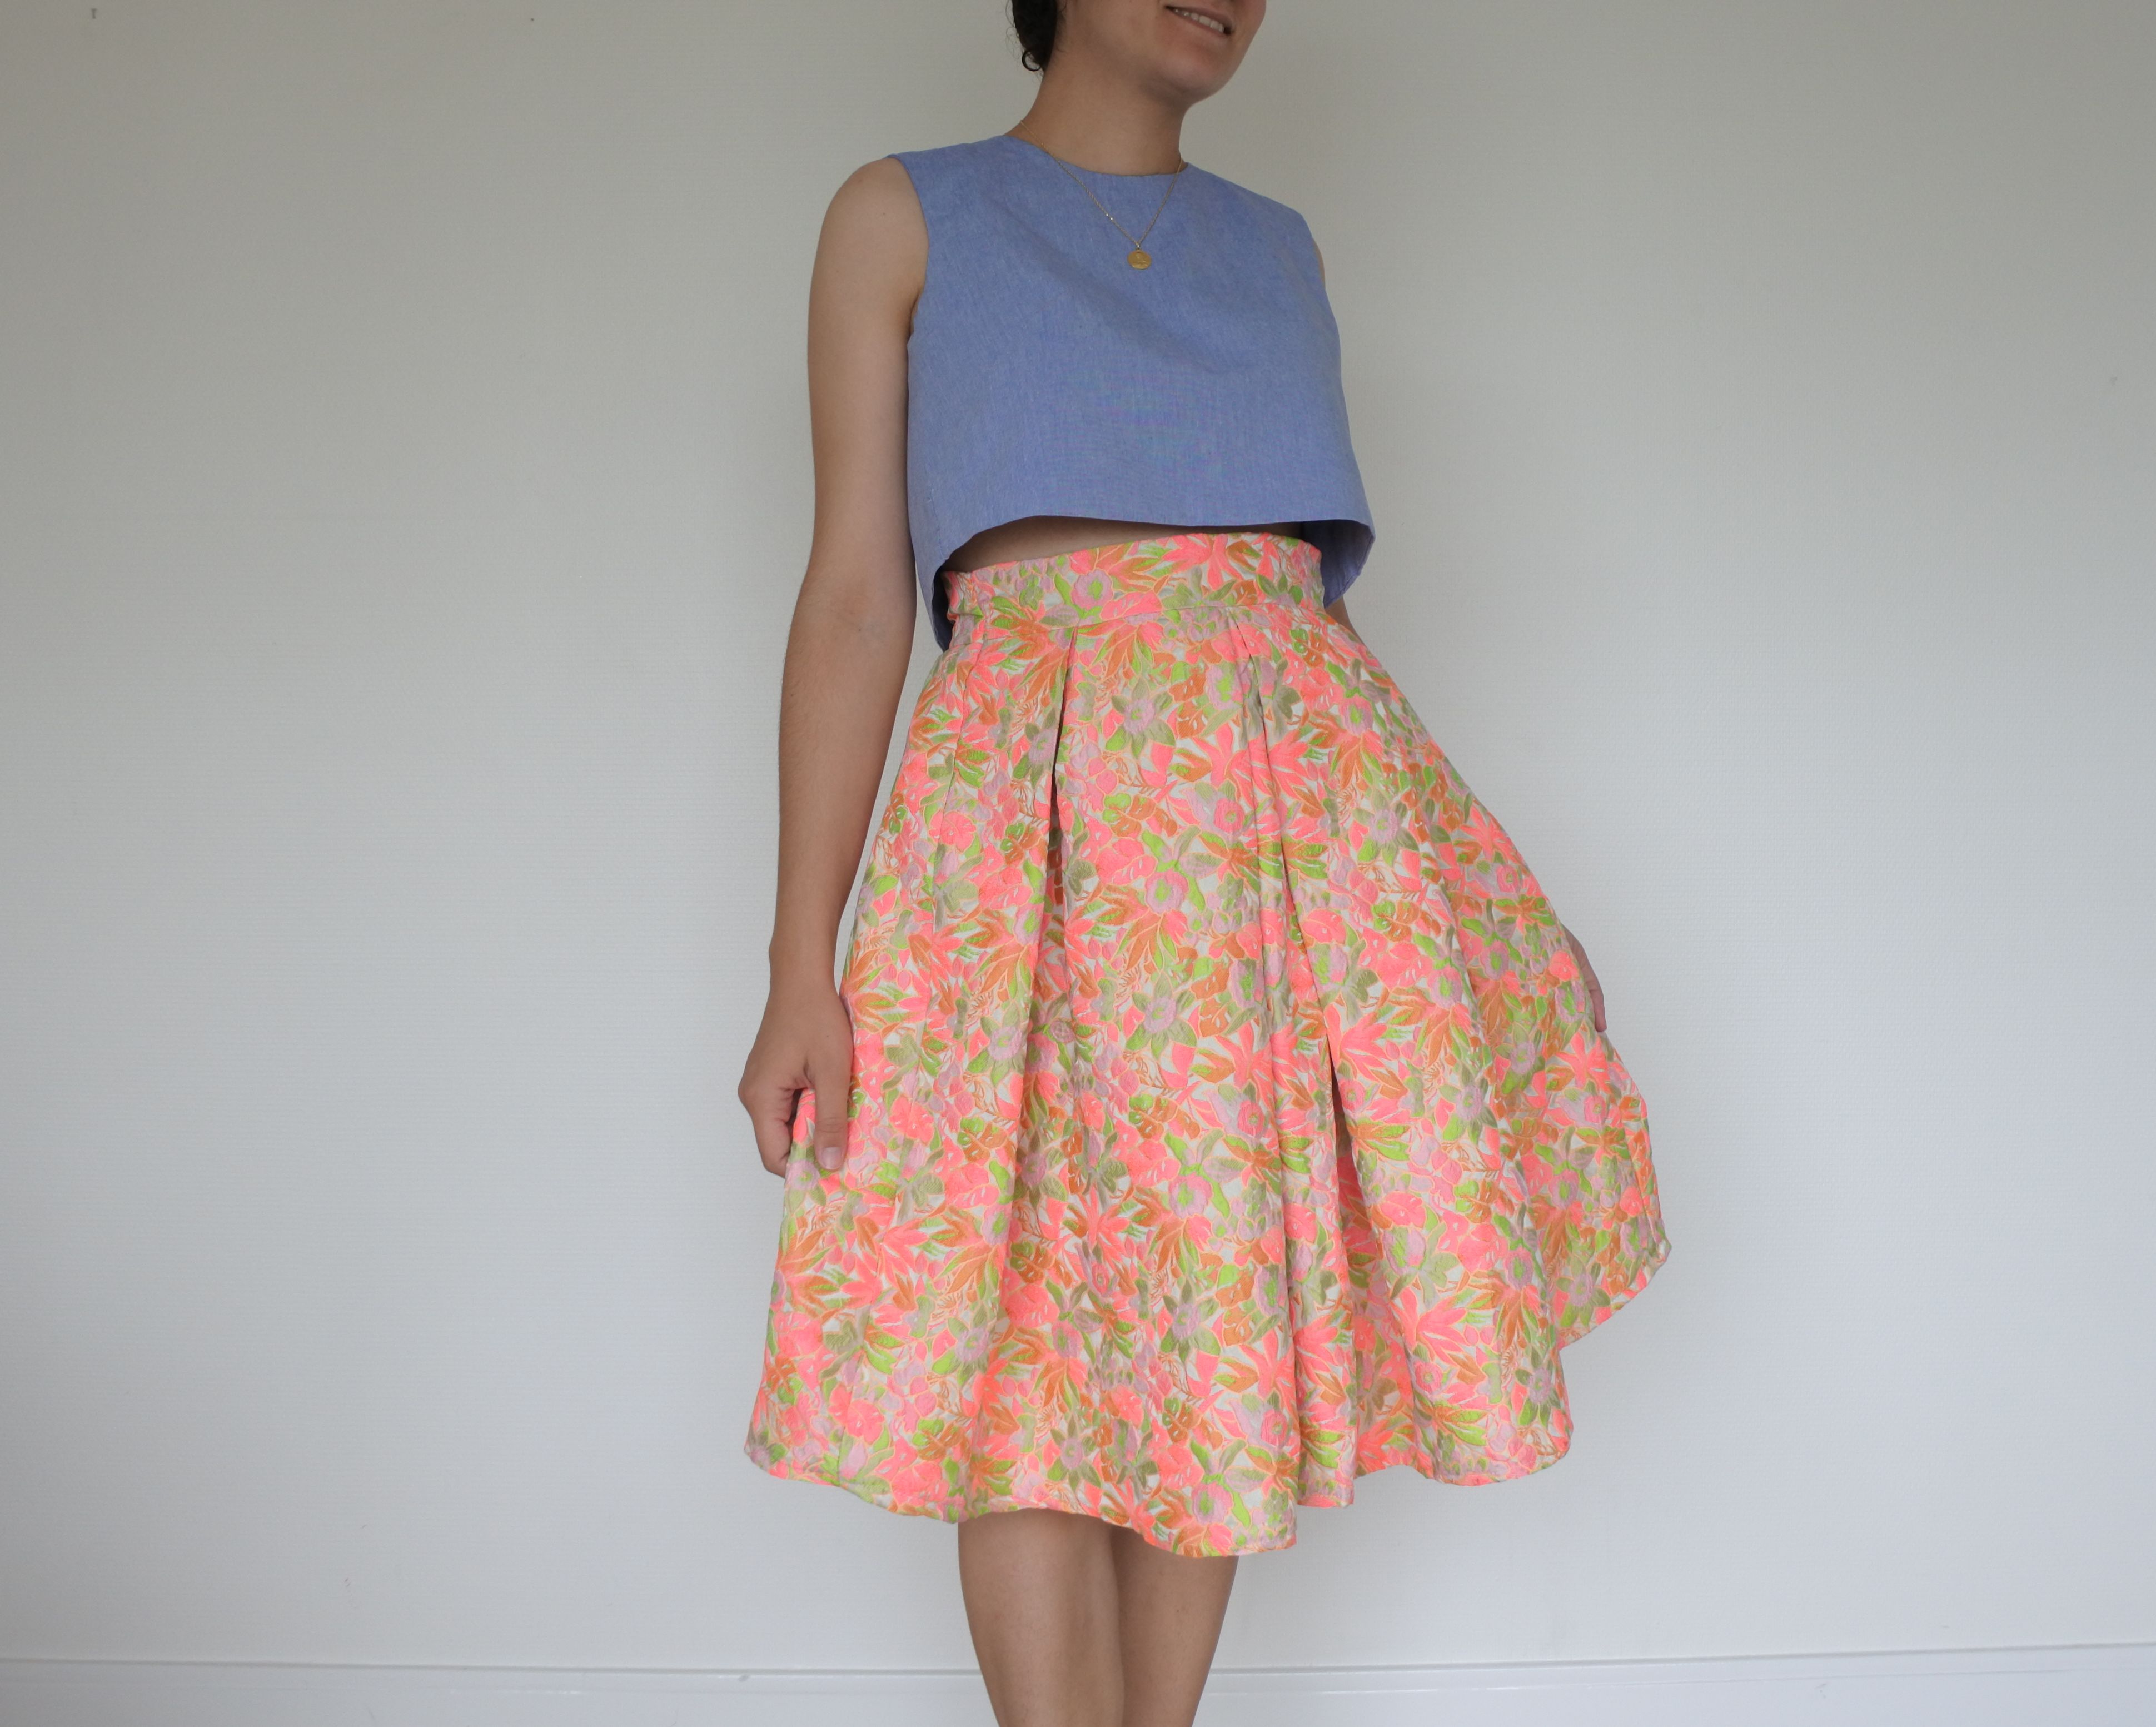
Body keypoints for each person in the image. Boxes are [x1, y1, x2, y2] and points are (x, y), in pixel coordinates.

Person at [736, 2, 1670, 1722]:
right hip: (1022, 830)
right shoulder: (902, 215)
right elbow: (859, 597)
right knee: (1023, 1328)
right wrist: (803, 960)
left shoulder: (1281, 250)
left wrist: (1491, 910)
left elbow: (1303, 629)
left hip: (1277, 830)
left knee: (1211, 1300)